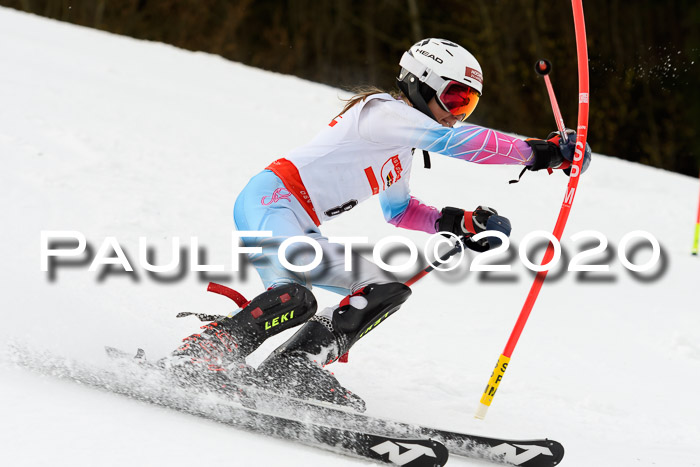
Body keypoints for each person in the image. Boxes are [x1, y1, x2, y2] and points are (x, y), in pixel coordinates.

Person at [170, 38, 592, 410]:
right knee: (295, 297)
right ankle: (205, 351)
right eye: (454, 98)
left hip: (302, 224)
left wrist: (461, 222)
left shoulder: (401, 149)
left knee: (386, 289)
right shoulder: (382, 113)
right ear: (420, 82)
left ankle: (295, 367)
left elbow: (400, 211)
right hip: (272, 200)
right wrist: (538, 152)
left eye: (468, 104)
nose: (456, 114)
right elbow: (456, 143)